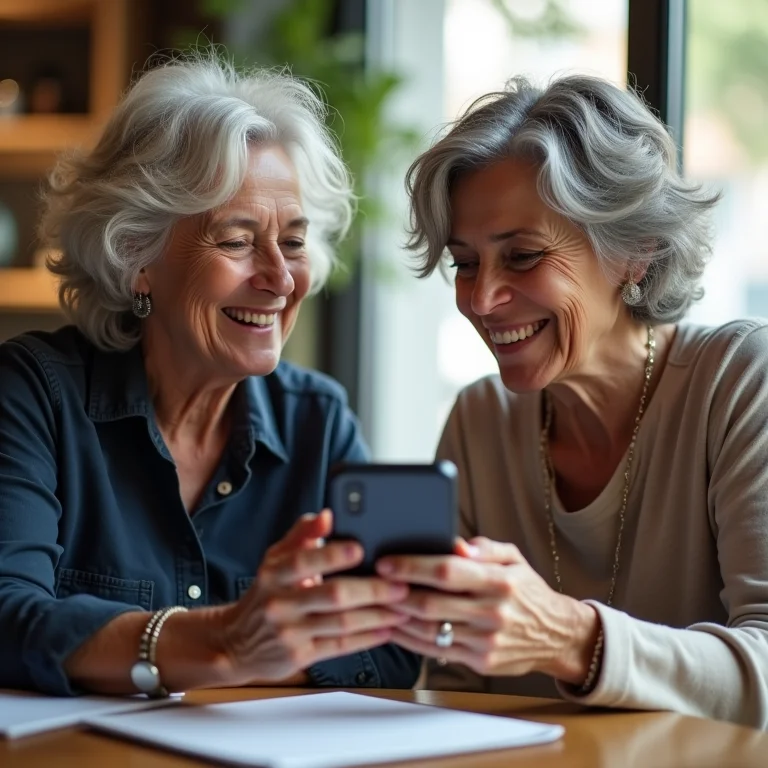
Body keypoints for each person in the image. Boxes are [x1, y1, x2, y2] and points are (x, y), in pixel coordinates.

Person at [0, 55, 420, 697]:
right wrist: (223, 642)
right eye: (237, 240)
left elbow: (393, 646)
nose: (281, 278)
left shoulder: (320, 420)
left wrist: (244, 650)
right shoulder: (32, 392)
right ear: (136, 255)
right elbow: (7, 617)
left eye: (296, 240)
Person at [374, 74, 768, 727]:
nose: (481, 298)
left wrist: (572, 640)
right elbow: (453, 691)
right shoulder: (480, 422)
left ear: (634, 253)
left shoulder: (739, 381)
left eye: (523, 257)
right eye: (465, 263)